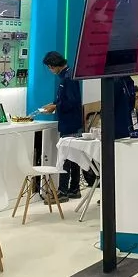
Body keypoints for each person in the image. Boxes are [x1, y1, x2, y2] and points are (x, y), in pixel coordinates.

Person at [42, 51, 84, 201]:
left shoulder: (68, 78)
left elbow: (72, 102)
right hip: (72, 122)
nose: (50, 70)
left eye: (49, 67)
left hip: (70, 123)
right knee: (74, 157)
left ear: (53, 65)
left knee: (66, 157)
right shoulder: (68, 76)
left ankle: (63, 191)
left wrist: (56, 107)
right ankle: (74, 189)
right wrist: (54, 104)